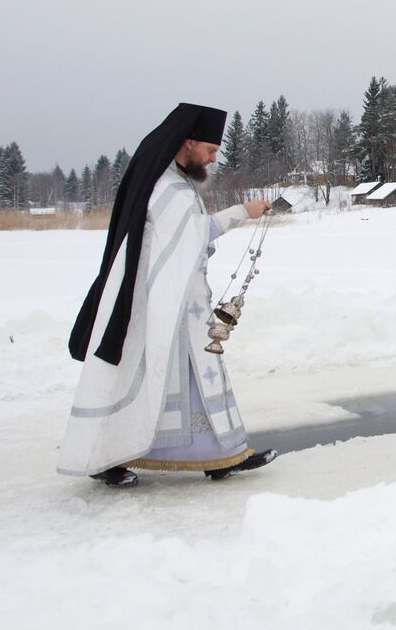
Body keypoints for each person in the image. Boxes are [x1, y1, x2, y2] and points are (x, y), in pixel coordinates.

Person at [60, 103, 276, 488]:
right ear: (188, 142)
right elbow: (193, 236)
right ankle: (104, 457)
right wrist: (241, 211)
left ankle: (221, 455)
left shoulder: (176, 182)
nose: (213, 157)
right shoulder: (167, 188)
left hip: (180, 302)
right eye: (210, 149)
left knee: (197, 378)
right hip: (153, 305)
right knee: (146, 377)